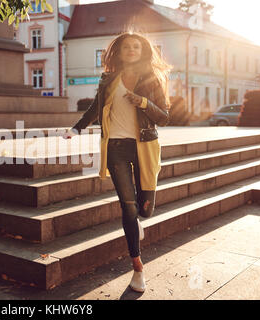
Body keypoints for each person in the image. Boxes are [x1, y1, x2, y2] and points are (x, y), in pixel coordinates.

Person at [62, 32, 172, 293]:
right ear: (118, 52)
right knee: (128, 207)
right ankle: (137, 269)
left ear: (142, 50)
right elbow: (95, 109)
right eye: (126, 47)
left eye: (136, 46)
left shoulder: (152, 78)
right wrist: (76, 129)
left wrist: (143, 102)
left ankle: (137, 222)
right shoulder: (108, 79)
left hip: (145, 147)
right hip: (116, 149)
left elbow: (165, 117)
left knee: (145, 211)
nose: (131, 50)